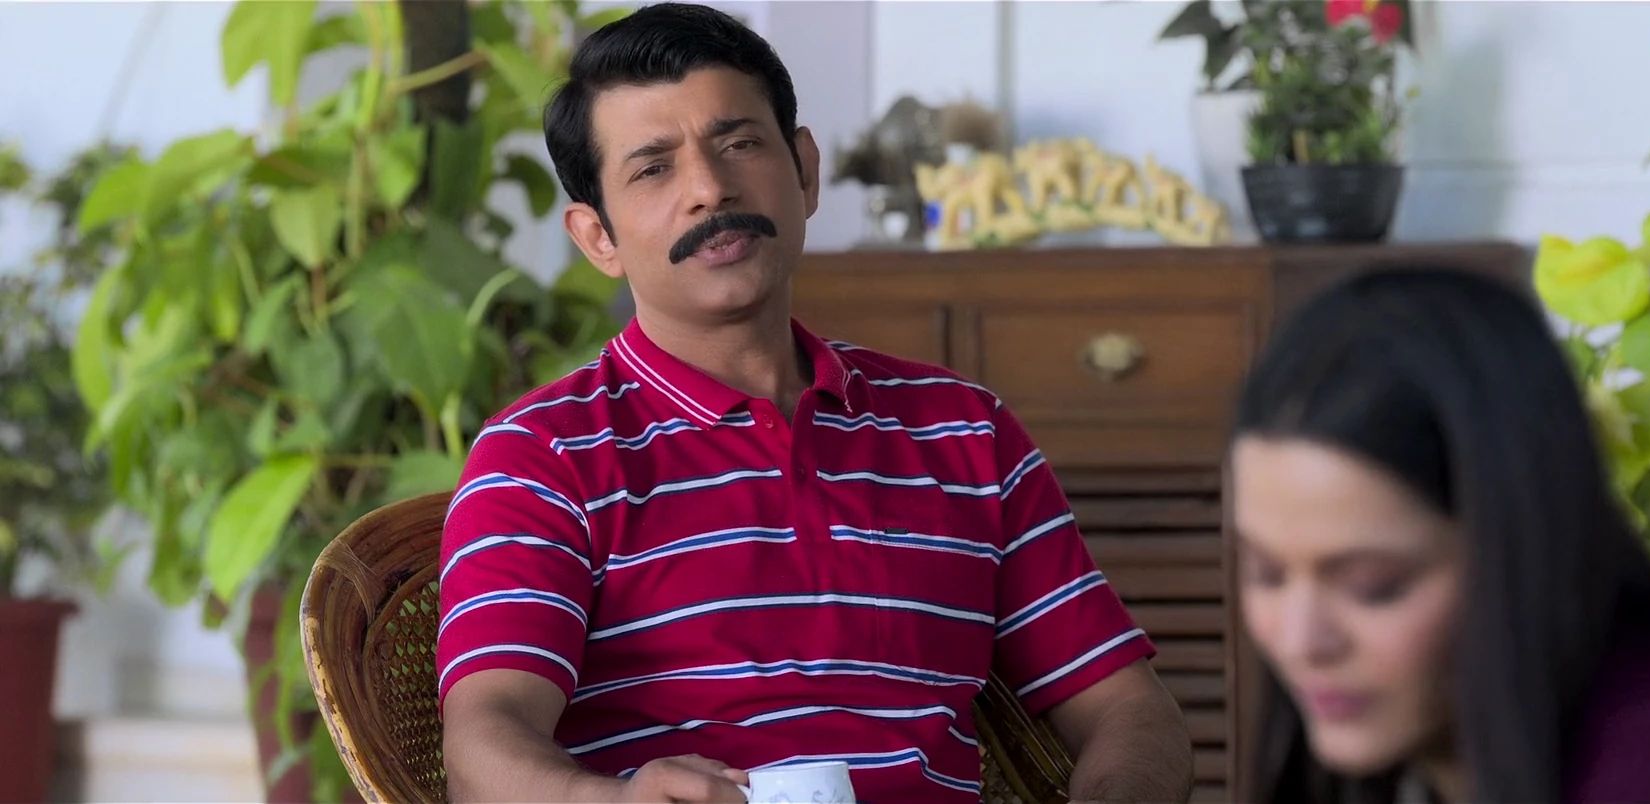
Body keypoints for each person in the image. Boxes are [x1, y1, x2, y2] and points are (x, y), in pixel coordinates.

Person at [433, 5, 1193, 803]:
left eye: (738, 144)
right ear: (598, 238)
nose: (709, 189)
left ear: (804, 170)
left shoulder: (964, 430)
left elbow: (1129, 709)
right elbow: (484, 742)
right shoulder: (542, 456)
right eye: (653, 169)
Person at [1227, 267, 1650, 803]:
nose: (1300, 638)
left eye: (1373, 587)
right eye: (1266, 573)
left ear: (1521, 548)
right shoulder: (1442, 751)